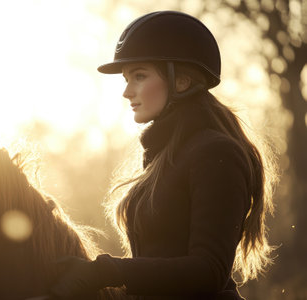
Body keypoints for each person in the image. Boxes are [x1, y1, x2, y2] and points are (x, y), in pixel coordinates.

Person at [50, 10, 278, 300]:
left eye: (139, 76)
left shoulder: (216, 153)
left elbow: (208, 272)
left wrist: (106, 272)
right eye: (126, 79)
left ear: (180, 82)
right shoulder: (166, 155)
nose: (126, 91)